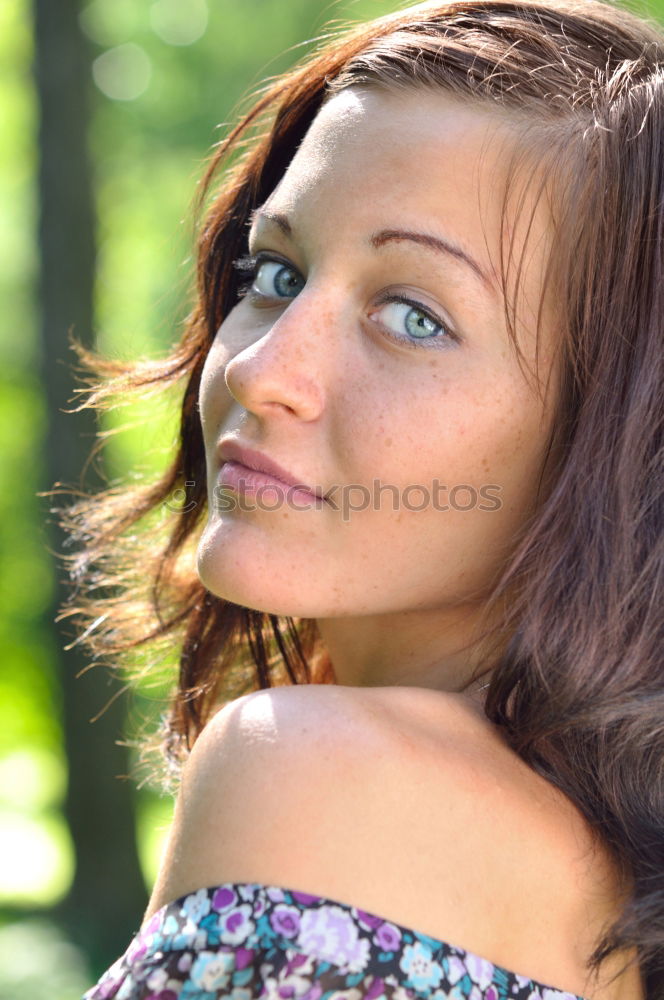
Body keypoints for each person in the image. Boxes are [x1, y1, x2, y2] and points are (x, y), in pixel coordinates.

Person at [61, 0, 664, 996]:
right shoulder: (597, 870)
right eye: (276, 272)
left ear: (612, 441)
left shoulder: (314, 775)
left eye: (411, 315)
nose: (261, 367)